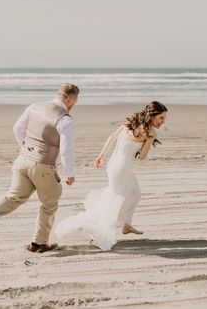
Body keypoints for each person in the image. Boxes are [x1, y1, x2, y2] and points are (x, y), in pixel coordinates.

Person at [0, 83, 79, 252]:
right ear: (70, 99)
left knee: (13, 197)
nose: (74, 105)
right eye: (75, 102)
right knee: (49, 204)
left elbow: (17, 128)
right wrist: (70, 173)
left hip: (22, 160)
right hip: (43, 167)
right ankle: (38, 243)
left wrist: (26, 148)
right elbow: (66, 150)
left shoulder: (35, 107)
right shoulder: (66, 120)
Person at [55, 101, 167, 250]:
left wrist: (101, 155)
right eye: (161, 118)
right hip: (121, 169)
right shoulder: (150, 132)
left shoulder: (130, 122)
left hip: (113, 166)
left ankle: (126, 225)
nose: (162, 122)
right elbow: (142, 157)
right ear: (152, 116)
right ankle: (98, 231)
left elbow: (113, 137)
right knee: (114, 200)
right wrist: (149, 140)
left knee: (134, 193)